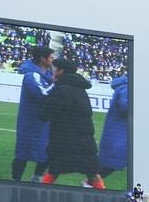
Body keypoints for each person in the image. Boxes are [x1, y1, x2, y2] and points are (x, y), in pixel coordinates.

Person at [40, 58, 104, 188]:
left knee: (54, 170)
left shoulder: (62, 90)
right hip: (84, 140)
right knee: (93, 173)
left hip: (64, 139)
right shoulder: (80, 89)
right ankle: (105, 196)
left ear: (60, 71)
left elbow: (45, 113)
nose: (52, 71)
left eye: (54, 69)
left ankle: (39, 197)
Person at [12, 46, 55, 181]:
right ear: (43, 59)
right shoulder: (32, 75)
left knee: (47, 152)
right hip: (31, 122)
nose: (53, 60)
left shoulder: (47, 75)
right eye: (51, 57)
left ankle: (36, 178)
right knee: (23, 153)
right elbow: (41, 94)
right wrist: (57, 83)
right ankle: (15, 181)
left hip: (44, 121)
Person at [98, 74, 129, 181]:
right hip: (119, 134)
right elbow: (126, 107)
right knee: (108, 166)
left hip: (118, 133)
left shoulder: (124, 87)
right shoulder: (126, 88)